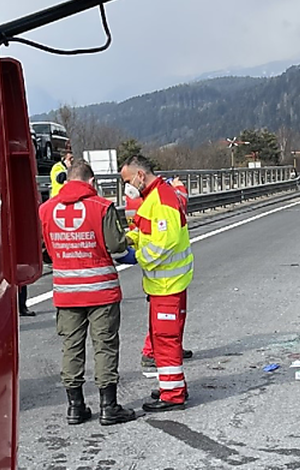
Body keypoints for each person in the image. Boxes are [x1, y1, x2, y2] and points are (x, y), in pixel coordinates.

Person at [39, 160, 136, 426]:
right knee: (104, 346)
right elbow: (116, 246)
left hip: (67, 293)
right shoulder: (101, 207)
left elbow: (46, 250)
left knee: (71, 347)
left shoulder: (46, 210)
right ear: (91, 182)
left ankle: (75, 407)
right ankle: (108, 407)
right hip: (101, 292)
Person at [120, 156, 194, 412]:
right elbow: (145, 231)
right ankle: (170, 385)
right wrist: (127, 240)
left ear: (140, 174)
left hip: (167, 284)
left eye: (128, 180)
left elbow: (164, 242)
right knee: (162, 339)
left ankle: (172, 394)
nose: (127, 186)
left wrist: (136, 256)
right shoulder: (154, 197)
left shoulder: (161, 199)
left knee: (165, 340)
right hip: (165, 284)